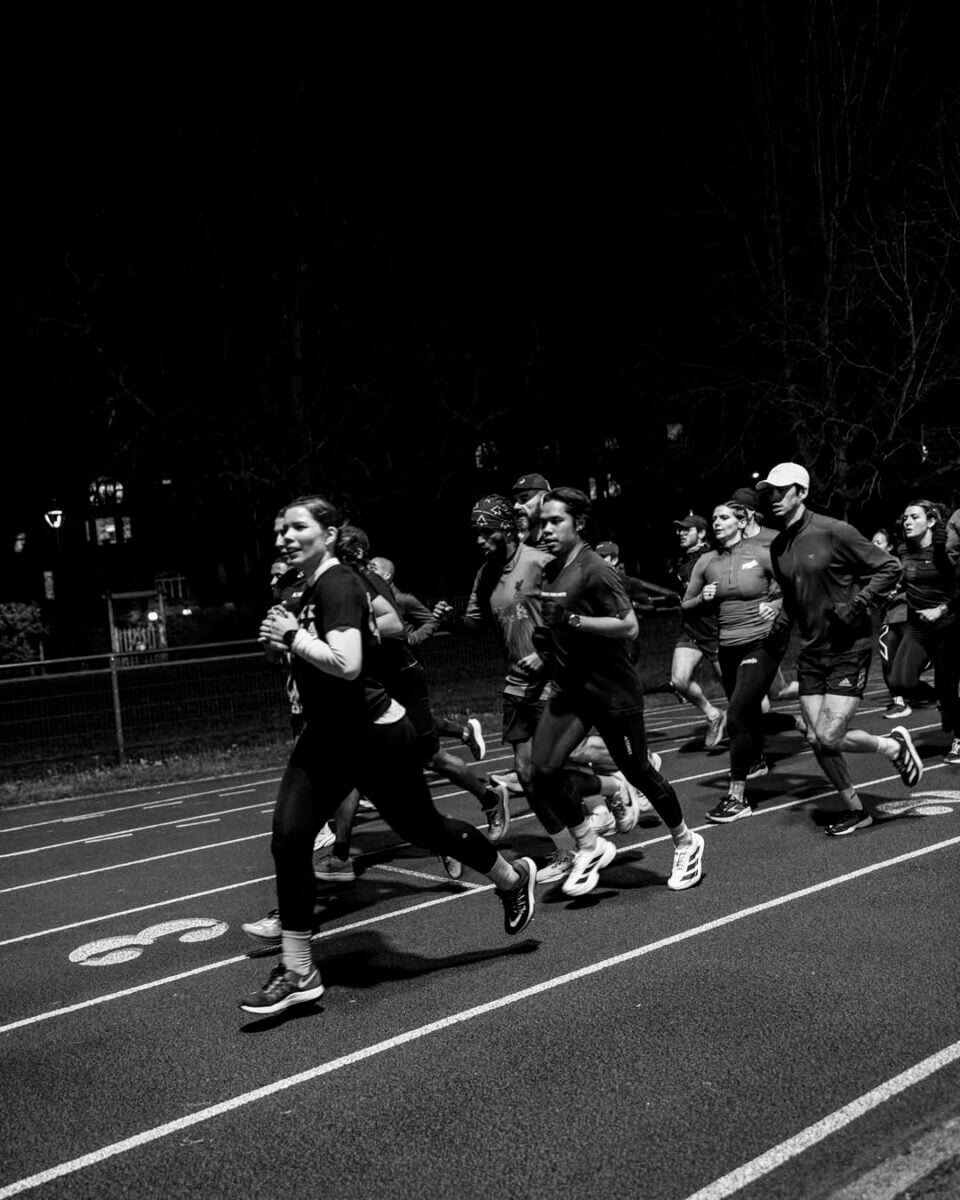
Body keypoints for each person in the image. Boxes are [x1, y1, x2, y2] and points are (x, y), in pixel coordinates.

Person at [240, 495, 536, 1017]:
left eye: (296, 527)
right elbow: (302, 655)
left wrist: (293, 636)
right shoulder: (304, 588)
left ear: (328, 534)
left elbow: (347, 664)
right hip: (326, 737)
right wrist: (279, 642)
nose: (284, 536)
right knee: (288, 839)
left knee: (425, 829)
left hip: (374, 734)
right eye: (279, 529)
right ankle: (298, 969)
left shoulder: (339, 584)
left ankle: (512, 879)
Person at [433, 495, 632, 883]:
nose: (478, 541)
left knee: (547, 772)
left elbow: (575, 617)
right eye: (475, 534)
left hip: (552, 680)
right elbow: (477, 625)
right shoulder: (485, 574)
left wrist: (544, 655)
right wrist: (452, 620)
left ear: (505, 528)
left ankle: (606, 797)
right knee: (527, 775)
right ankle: (566, 848)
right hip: (516, 685)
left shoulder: (542, 563)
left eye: (484, 532)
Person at [529, 486, 704, 897]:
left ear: (579, 523)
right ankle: (590, 845)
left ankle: (685, 841)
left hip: (611, 690)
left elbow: (629, 626)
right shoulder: (552, 569)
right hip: (572, 689)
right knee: (541, 771)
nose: (547, 530)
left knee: (636, 770)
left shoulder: (595, 569)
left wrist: (571, 621)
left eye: (556, 521)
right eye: (543, 522)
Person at [312, 525, 512, 884]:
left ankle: (487, 796)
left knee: (427, 759)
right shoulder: (332, 581)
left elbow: (393, 626)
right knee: (356, 769)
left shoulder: (365, 579)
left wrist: (346, 632)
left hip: (400, 680)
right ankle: (343, 853)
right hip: (369, 689)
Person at [757, 463, 923, 835]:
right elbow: (791, 598)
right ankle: (856, 809)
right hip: (812, 651)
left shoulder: (834, 531)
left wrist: (859, 604)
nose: (774, 499)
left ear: (801, 492)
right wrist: (777, 636)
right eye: (770, 492)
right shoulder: (780, 546)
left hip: (849, 646)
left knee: (830, 736)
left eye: (782, 491)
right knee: (816, 738)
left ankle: (892, 746)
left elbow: (889, 567)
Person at [681, 499, 801, 822]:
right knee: (745, 715)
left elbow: (792, 590)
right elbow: (685, 605)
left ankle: (737, 797)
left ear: (742, 520)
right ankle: (794, 724)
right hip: (728, 647)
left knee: (735, 714)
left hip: (762, 644)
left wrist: (774, 609)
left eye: (724, 518)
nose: (717, 523)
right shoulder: (706, 562)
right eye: (715, 518)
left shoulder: (762, 553)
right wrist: (702, 599)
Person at [368, 554, 485, 760]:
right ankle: (462, 734)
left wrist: (411, 638)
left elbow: (432, 620)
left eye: (373, 568)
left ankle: (453, 742)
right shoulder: (374, 600)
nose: (368, 572)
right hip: (386, 667)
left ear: (386, 575)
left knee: (405, 717)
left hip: (407, 666)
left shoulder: (404, 600)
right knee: (401, 717)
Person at [887, 501, 960, 766]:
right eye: (904, 517)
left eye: (914, 517)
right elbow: (907, 579)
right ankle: (946, 704)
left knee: (947, 686)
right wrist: (895, 589)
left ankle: (958, 736)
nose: (906, 521)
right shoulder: (904, 550)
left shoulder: (946, 550)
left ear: (930, 521)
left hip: (949, 626)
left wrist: (942, 608)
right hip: (918, 627)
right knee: (900, 681)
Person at [670, 515, 726, 747]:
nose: (681, 534)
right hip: (691, 633)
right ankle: (713, 714)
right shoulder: (681, 561)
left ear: (702, 533)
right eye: (679, 531)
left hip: (716, 633)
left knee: (746, 697)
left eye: (687, 530)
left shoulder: (713, 559)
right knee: (678, 681)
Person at [871, 528, 910, 718]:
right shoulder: (870, 567)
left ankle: (928, 690)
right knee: (887, 659)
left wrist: (895, 591)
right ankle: (899, 702)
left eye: (879, 542)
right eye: (872, 542)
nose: (874, 546)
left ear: (890, 546)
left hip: (907, 618)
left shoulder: (897, 564)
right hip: (888, 620)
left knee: (911, 662)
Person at [511, 472, 552, 549]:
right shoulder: (521, 541)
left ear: (544, 499)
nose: (515, 506)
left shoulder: (556, 542)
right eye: (515, 501)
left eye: (524, 499)